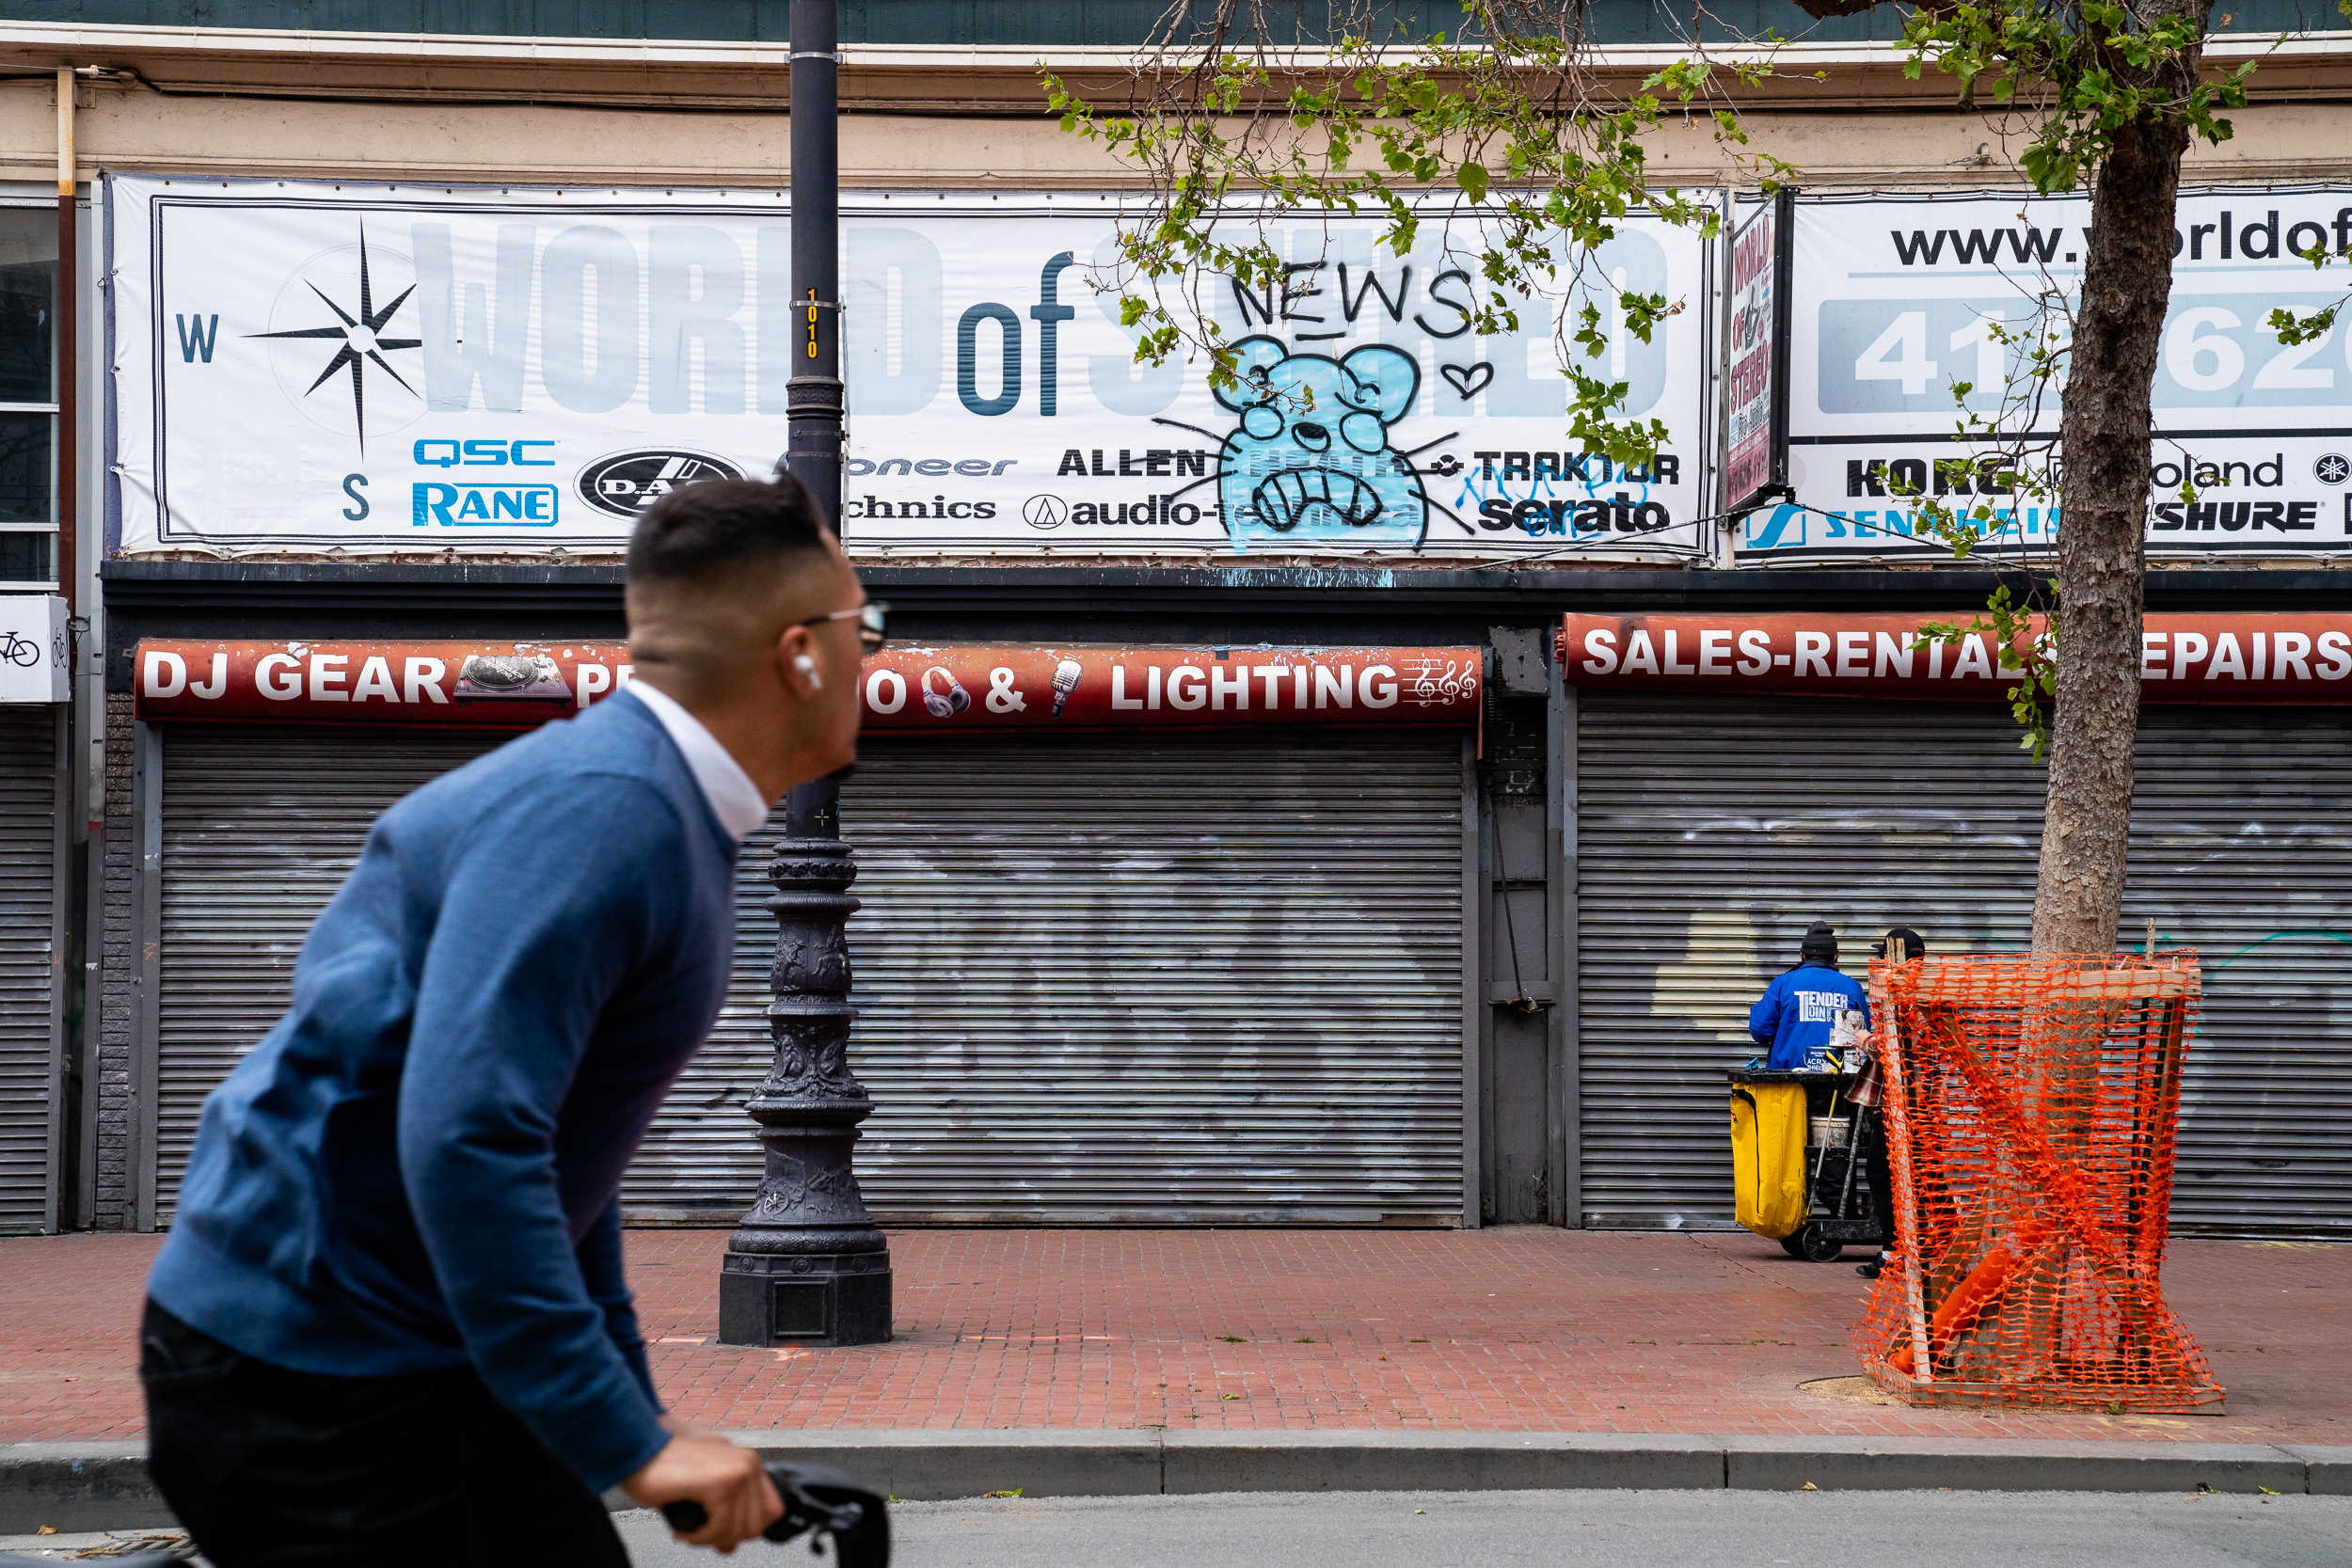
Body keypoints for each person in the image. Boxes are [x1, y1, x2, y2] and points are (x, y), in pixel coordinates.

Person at [137, 476, 876, 1567]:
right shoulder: (608, 814)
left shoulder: (663, 811)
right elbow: (469, 1134)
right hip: (308, 1365)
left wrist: (630, 1407)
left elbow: (570, 1151)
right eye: (871, 629)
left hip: (429, 1346)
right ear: (801, 655)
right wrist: (628, 1437)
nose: (877, 658)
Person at [1851, 926, 1926, 1279]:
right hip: (1910, 1102)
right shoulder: (1919, 992)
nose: (1879, 962)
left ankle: (1895, 1252)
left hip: (1907, 1103)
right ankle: (1918, 1248)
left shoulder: (1914, 996)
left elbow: (1901, 1049)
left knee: (1883, 1173)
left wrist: (1867, 1041)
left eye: (1883, 955)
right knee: (1917, 1176)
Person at [1746, 920, 1869, 1071]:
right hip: (1837, 1082)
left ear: (1802, 955)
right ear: (1836, 957)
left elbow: (1760, 1031)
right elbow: (1864, 1036)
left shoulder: (1783, 983)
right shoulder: (1852, 987)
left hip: (1787, 1081)